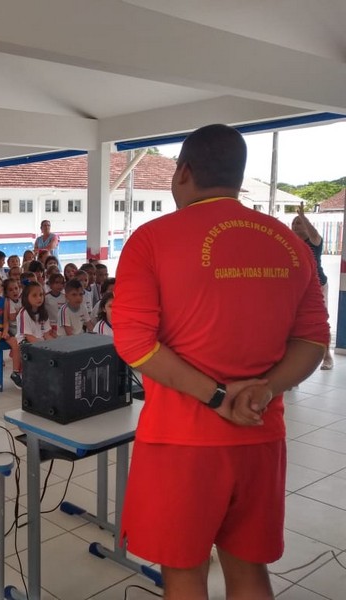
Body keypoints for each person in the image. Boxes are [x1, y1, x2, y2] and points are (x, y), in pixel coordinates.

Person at [114, 124, 329, 600]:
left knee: (186, 575)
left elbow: (135, 343)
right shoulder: (291, 244)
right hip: (260, 433)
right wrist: (264, 390)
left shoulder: (151, 240)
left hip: (181, 443)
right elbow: (314, 340)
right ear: (238, 175)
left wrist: (215, 396)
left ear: (184, 172)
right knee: (250, 573)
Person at [291, 203, 334, 370]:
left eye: (298, 223)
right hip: (298, 287)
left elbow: (314, 233)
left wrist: (303, 216)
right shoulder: (289, 241)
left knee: (320, 321)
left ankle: (327, 356)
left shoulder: (314, 241)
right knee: (294, 322)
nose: (295, 225)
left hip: (318, 285)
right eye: (294, 223)